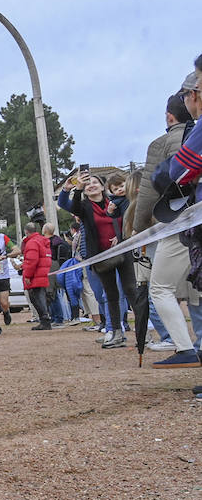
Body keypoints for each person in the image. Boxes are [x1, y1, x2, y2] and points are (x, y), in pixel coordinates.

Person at [135, 91, 199, 367]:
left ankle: (185, 348)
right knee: (197, 290)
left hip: (179, 221)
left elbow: (147, 194)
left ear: (169, 116)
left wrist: (137, 233)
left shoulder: (160, 144)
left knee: (160, 288)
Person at [57, 171, 132, 349]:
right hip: (98, 257)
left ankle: (131, 330)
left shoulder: (117, 201)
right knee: (106, 295)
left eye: (95, 182)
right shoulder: (83, 207)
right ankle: (113, 330)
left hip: (122, 252)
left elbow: (130, 219)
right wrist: (69, 189)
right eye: (87, 183)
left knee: (129, 291)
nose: (91, 185)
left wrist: (121, 237)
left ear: (102, 186)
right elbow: (65, 204)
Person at [21, 221, 53, 329]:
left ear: (26, 232)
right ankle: (45, 319)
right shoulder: (42, 241)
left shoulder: (32, 242)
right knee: (40, 297)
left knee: (35, 297)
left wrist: (28, 276)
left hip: (35, 274)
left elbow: (31, 261)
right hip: (42, 272)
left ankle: (44, 321)